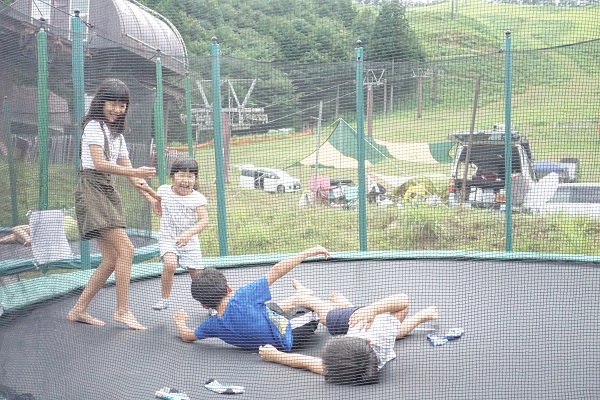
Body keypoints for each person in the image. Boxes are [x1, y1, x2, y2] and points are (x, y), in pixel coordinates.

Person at [66, 78, 156, 330]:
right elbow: (99, 163)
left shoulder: (117, 135)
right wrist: (134, 172)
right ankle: (122, 311)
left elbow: (131, 173)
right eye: (112, 103)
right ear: (100, 103)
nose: (117, 109)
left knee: (111, 258)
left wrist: (151, 198)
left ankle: (78, 309)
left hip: (107, 190)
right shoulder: (94, 127)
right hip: (92, 189)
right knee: (127, 250)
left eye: (122, 105)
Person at [258, 280, 439, 385]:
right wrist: (372, 310)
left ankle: (304, 297)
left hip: (356, 321)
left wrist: (277, 356)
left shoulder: (339, 369)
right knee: (395, 331)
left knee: (325, 317)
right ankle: (422, 315)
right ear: (368, 341)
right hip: (365, 317)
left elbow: (307, 362)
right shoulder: (380, 332)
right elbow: (403, 301)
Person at [172, 246, 330, 351]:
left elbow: (187, 335)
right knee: (314, 311)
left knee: (265, 308)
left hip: (268, 321)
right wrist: (307, 253)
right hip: (286, 334)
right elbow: (276, 271)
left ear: (204, 305)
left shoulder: (212, 325)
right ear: (228, 288)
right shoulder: (243, 297)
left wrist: (180, 321)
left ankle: (299, 296)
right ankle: (309, 299)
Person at [137, 156, 209, 311]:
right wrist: (147, 189)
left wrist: (188, 234)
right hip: (168, 238)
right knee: (170, 265)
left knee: (197, 276)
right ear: (172, 176)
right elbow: (160, 199)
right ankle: (164, 299)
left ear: (195, 179)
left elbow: (204, 221)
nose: (186, 180)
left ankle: (210, 304)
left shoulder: (197, 198)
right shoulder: (164, 189)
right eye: (181, 175)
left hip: (189, 242)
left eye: (190, 176)